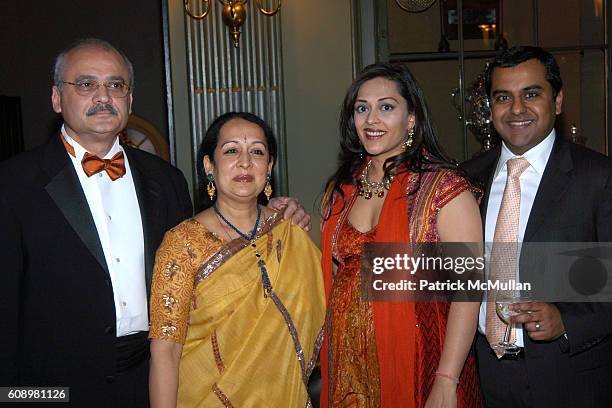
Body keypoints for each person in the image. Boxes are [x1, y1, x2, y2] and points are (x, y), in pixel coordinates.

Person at [0, 38, 309, 407]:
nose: (103, 95)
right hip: (54, 386)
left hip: (151, 380)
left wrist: (271, 211)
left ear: (129, 100)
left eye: (116, 85)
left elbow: (211, 264)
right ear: (56, 98)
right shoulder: (14, 184)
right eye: (86, 84)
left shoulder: (165, 179)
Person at [320, 63, 483, 407]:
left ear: (411, 118)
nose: (371, 119)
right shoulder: (342, 191)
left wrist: (446, 378)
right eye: (362, 108)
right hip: (350, 366)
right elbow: (336, 278)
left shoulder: (443, 189)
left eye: (387, 107)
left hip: (423, 361)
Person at [461, 46, 612, 407]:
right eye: (503, 97)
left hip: (570, 380)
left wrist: (567, 321)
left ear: (557, 101)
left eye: (531, 94)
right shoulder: (465, 180)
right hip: (482, 376)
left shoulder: (599, 178)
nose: (516, 109)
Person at [148, 112, 326, 407]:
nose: (245, 162)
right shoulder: (182, 243)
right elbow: (165, 351)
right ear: (209, 165)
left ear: (269, 167)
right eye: (231, 150)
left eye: (257, 152)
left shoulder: (290, 232)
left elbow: (328, 306)